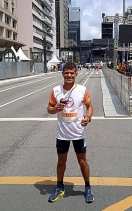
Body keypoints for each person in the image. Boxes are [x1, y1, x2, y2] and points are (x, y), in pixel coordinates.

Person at [46, 62, 94, 203]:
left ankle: (88, 188)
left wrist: (88, 117)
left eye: (71, 73)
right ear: (62, 74)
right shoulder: (56, 90)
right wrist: (56, 109)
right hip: (62, 134)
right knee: (61, 162)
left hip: (79, 133)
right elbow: (49, 109)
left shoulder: (82, 90)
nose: (69, 75)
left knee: (82, 161)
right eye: (66, 73)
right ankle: (59, 187)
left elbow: (89, 106)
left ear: (76, 74)